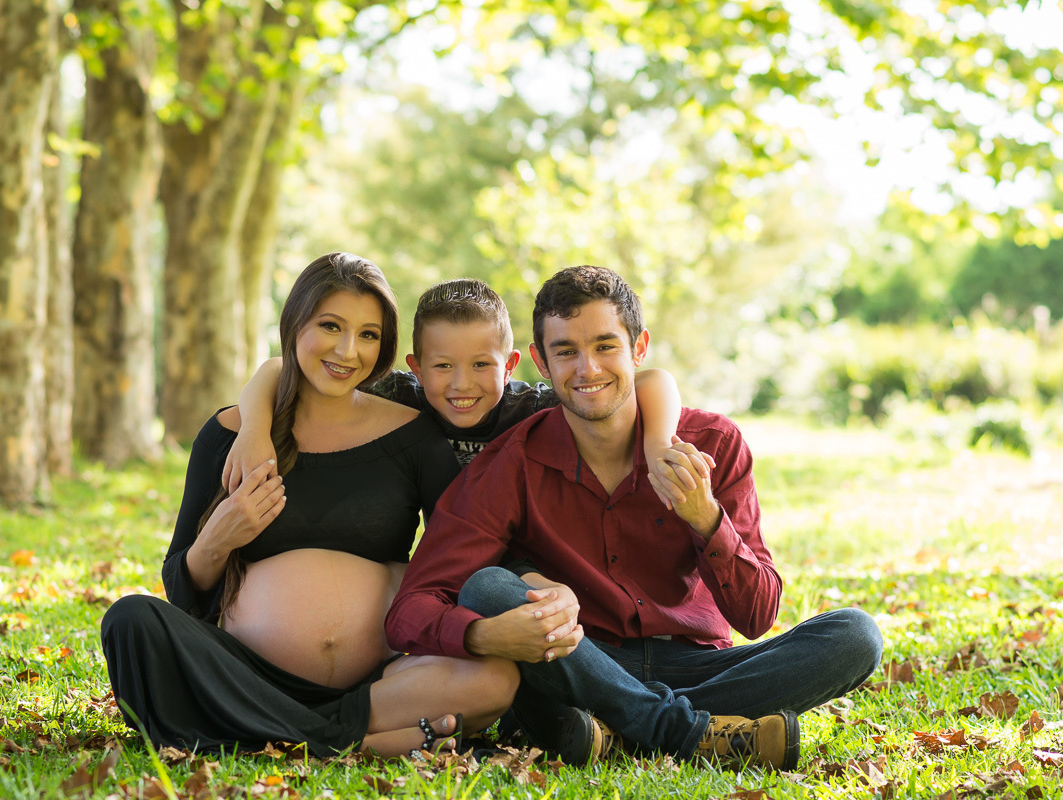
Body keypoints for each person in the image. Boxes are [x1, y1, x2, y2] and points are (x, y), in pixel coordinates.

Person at [385, 266, 885, 770]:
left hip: (701, 665)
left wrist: (705, 518)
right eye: (565, 352)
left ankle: (618, 730)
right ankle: (684, 732)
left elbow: (757, 616)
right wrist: (480, 634)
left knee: (854, 636)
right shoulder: (510, 463)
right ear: (539, 361)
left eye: (605, 346)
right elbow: (411, 609)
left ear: (639, 348)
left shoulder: (713, 443)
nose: (587, 369)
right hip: (579, 661)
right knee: (489, 588)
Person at [101, 253, 518, 758]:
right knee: (129, 620)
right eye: (330, 326)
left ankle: (285, 734)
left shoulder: (412, 434)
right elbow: (180, 595)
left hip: (378, 682)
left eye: (367, 334)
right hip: (242, 674)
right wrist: (217, 539)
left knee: (495, 678)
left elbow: (457, 557)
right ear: (295, 323)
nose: (348, 350)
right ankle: (351, 742)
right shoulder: (230, 436)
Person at [224, 278, 694, 504]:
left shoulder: (531, 404)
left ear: (511, 366)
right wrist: (254, 431)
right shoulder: (403, 398)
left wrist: (657, 446)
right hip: (450, 552)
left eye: (481, 366)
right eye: (442, 366)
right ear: (416, 368)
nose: (460, 384)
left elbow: (653, 380)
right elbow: (280, 367)